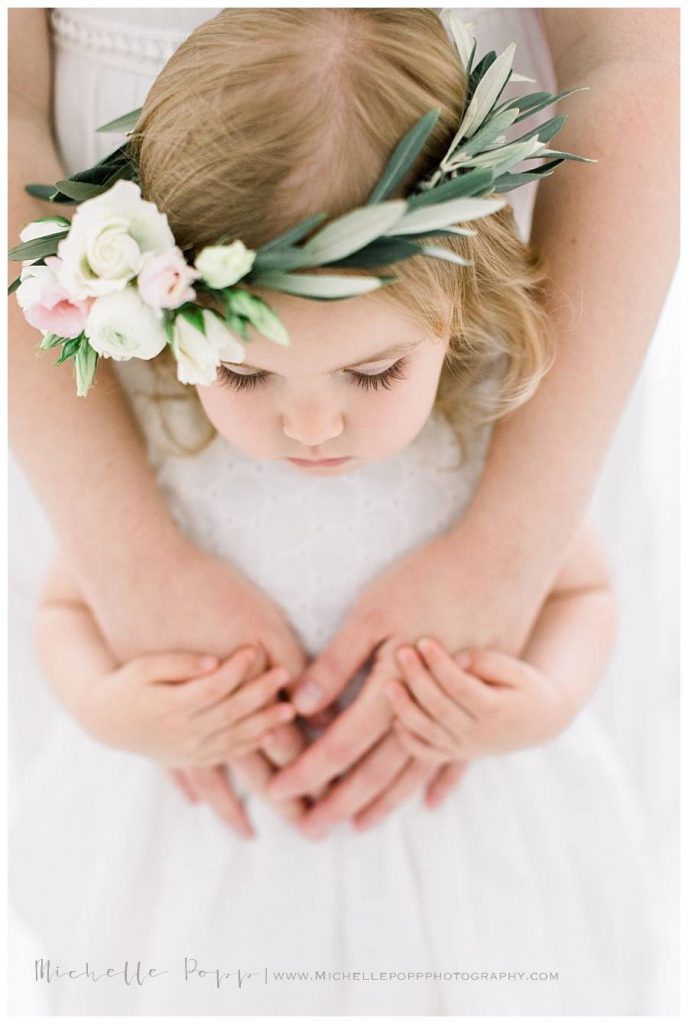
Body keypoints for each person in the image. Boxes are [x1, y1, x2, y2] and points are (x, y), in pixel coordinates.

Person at [9, 9, 666, 1015]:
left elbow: (579, 588)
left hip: (449, 852)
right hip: (215, 852)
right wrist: (110, 706)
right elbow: (66, 609)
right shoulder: (178, 459)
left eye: (370, 370)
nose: (311, 422)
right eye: (244, 369)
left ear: (463, 307)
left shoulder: (466, 455)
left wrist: (545, 701)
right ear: (172, 320)